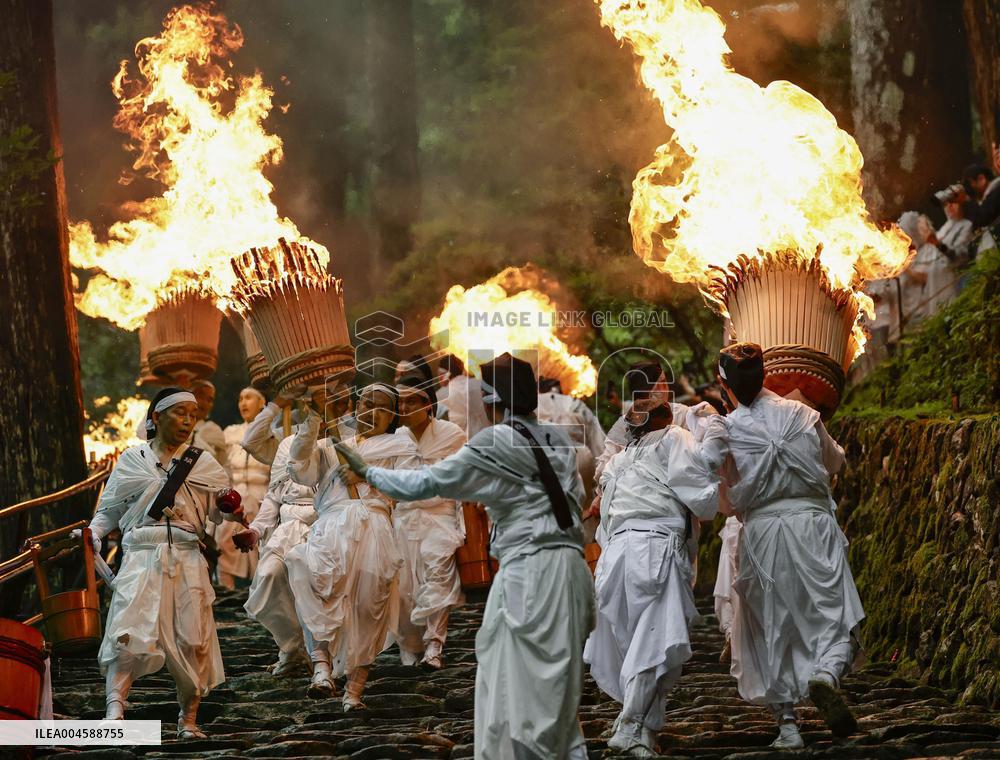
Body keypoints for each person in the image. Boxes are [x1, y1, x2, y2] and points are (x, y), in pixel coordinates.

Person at [335, 353, 595, 760]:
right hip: (573, 572)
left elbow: (428, 482)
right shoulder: (560, 439)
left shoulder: (493, 441)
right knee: (559, 685)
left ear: (492, 404)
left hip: (532, 573)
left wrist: (368, 472)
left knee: (515, 679)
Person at [713, 343, 863, 749]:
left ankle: (788, 728)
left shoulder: (726, 430)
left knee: (771, 626)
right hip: (813, 526)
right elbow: (834, 462)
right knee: (833, 613)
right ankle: (826, 674)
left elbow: (725, 502)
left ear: (723, 384)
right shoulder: (803, 414)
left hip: (762, 532)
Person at [84, 388, 234, 738]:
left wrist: (231, 511)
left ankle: (189, 720)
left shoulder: (203, 463)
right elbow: (110, 510)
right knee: (127, 629)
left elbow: (217, 512)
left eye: (192, 415)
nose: (187, 421)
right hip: (141, 554)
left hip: (186, 555)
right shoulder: (132, 459)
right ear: (156, 417)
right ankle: (114, 714)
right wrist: (93, 532)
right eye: (180, 412)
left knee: (191, 637)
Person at [585, 388, 724, 757]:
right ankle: (629, 724)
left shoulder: (618, 462)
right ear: (664, 423)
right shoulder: (674, 439)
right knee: (654, 641)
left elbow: (608, 519)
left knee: (637, 641)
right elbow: (703, 487)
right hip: (655, 549)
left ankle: (645, 732)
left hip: (615, 555)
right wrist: (715, 428)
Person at [285, 383, 421, 708]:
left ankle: (354, 692)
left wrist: (367, 475)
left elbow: (409, 485)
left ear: (393, 416)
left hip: (375, 528)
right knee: (312, 579)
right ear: (356, 406)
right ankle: (321, 666)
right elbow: (299, 467)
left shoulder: (400, 445)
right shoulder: (332, 444)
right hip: (331, 526)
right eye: (367, 403)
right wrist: (313, 418)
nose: (372, 412)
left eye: (382, 407)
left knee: (368, 606)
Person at [233, 384, 351, 678]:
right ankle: (291, 646)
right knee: (268, 577)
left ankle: (323, 658)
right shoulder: (287, 444)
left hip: (325, 527)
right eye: (314, 402)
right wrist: (258, 530)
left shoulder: (347, 440)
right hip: (287, 528)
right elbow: (275, 496)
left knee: (315, 588)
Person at [392, 375, 467, 669]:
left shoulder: (453, 434)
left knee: (437, 574)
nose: (405, 406)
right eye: (401, 402)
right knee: (404, 587)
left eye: (412, 400)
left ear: (428, 404)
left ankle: (435, 645)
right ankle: (409, 646)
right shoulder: (395, 440)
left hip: (441, 517)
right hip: (404, 519)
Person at [216, 387, 270, 590]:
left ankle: (257, 600)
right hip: (234, 499)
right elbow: (222, 467)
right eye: (240, 399)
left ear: (261, 402)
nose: (243, 403)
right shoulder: (230, 432)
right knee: (226, 547)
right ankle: (227, 595)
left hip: (260, 498)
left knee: (260, 549)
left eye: (248, 398)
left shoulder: (271, 433)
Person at [435, 353, 491, 438]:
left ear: (445, 374)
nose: (438, 379)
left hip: (465, 442)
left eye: (439, 374)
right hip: (489, 433)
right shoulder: (479, 383)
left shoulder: (441, 394)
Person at [190, 379, 229, 467]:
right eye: (201, 396)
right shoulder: (177, 426)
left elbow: (225, 466)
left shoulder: (214, 430)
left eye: (209, 400)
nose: (204, 403)